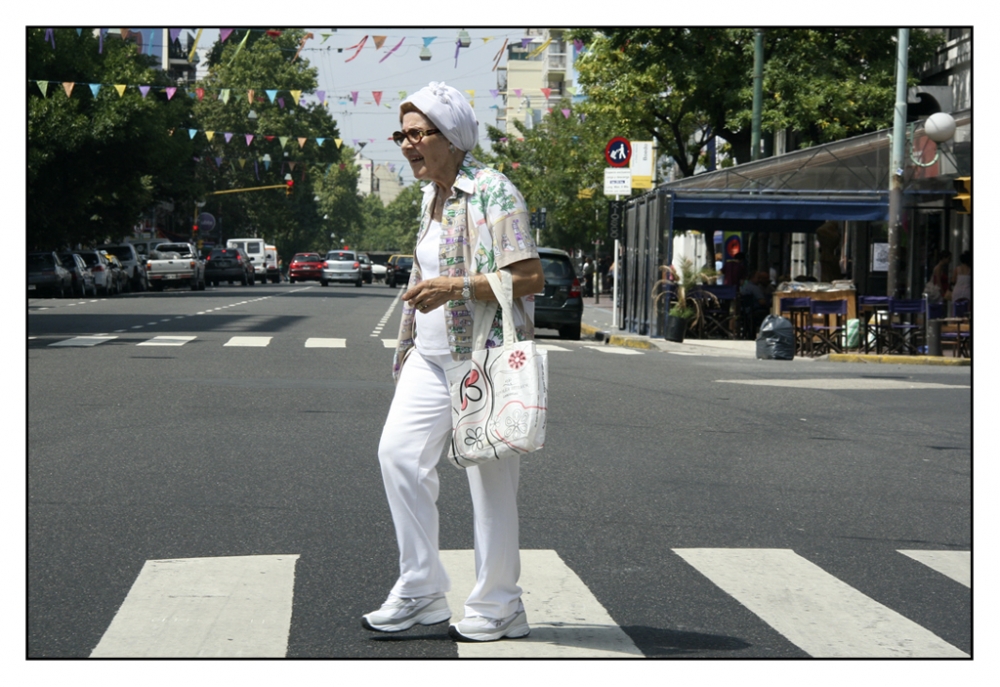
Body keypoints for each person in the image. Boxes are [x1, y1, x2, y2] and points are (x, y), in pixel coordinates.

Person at [363, 82, 545, 643]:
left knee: (489, 483)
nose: (407, 145)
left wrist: (457, 286)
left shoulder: (492, 190)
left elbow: (530, 276)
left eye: (417, 134)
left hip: (482, 356)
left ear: (452, 136)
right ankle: (420, 591)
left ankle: (500, 605)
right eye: (402, 135)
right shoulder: (430, 196)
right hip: (429, 354)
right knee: (397, 456)